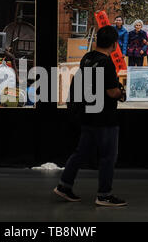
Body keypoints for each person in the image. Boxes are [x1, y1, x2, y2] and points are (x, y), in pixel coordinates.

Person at [54, 25, 127, 207]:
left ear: (98, 40)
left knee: (80, 153)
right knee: (108, 156)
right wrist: (121, 92)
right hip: (104, 117)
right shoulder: (107, 63)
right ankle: (104, 195)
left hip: (87, 114)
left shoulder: (87, 58)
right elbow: (111, 92)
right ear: (114, 44)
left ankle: (64, 186)